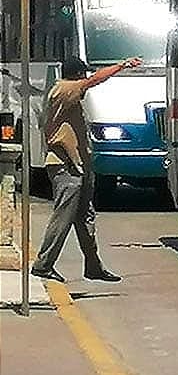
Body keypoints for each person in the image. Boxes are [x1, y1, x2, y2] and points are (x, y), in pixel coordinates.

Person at [31, 55, 142, 283]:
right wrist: (121, 65)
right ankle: (43, 264)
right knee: (64, 216)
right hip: (64, 166)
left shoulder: (70, 94)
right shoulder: (63, 90)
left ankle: (93, 265)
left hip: (78, 166)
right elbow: (94, 81)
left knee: (85, 216)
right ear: (77, 74)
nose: (85, 78)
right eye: (83, 74)